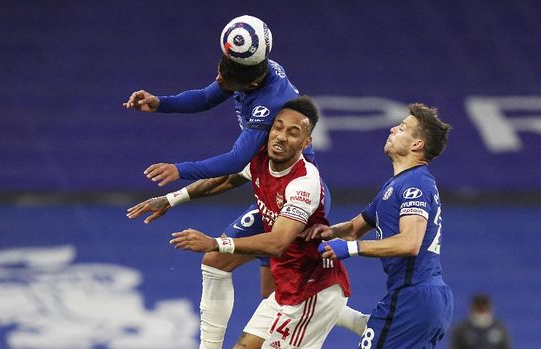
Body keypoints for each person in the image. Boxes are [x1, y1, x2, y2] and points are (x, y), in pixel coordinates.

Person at [123, 15, 366, 348]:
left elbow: (235, 164)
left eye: (228, 79)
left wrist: (180, 170)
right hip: (268, 185)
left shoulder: (270, 108)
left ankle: (363, 323)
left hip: (293, 200)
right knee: (232, 272)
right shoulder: (253, 69)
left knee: (278, 291)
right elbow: (209, 99)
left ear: (251, 84)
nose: (220, 79)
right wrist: (161, 103)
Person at [165, 96, 351, 349]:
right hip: (287, 285)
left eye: (293, 133)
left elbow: (276, 243)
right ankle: (361, 322)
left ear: (306, 143)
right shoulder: (259, 159)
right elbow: (223, 180)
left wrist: (215, 243)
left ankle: (362, 322)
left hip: (312, 288)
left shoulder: (304, 182)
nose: (281, 137)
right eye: (278, 127)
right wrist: (172, 199)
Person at [303, 103, 454, 348]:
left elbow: (410, 242)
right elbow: (354, 227)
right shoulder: (395, 185)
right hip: (424, 299)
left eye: (403, 128)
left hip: (413, 296)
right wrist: (330, 232)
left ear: (417, 145)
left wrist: (351, 249)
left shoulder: (416, 184)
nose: (393, 128)